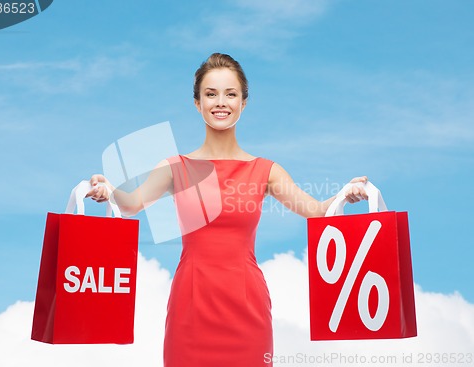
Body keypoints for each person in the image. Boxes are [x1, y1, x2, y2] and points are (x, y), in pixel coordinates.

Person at [87, 53, 368, 367]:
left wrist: (347, 192)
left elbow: (316, 212)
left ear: (244, 103)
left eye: (230, 94)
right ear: (197, 103)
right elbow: (130, 205)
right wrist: (108, 190)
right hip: (190, 309)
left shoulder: (266, 171)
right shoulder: (175, 168)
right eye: (211, 94)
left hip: (247, 310)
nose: (221, 102)